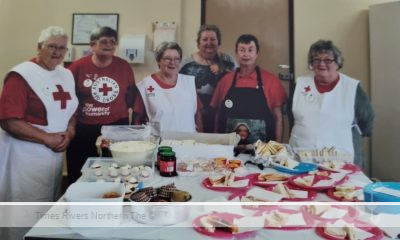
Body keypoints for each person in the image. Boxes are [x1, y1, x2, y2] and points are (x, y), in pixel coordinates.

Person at [0, 26, 78, 203]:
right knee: (24, 204)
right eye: (51, 46)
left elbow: (73, 109)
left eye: (62, 48)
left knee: (49, 199)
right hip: (24, 155)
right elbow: (9, 121)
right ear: (39, 47)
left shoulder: (66, 74)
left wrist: (70, 131)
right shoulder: (21, 75)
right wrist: (46, 137)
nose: (57, 52)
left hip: (55, 153)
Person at [66, 26, 136, 184]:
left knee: (117, 170)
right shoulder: (77, 67)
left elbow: (131, 96)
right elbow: (69, 100)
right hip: (84, 127)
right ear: (92, 44)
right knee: (80, 169)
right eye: (104, 41)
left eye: (113, 41)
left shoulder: (124, 67)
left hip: (116, 127)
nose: (109, 45)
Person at [289, 39, 374, 167]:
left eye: (328, 60)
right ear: (311, 63)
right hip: (301, 156)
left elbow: (367, 123)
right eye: (316, 60)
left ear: (337, 63)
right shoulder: (300, 84)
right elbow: (291, 116)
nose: (321, 64)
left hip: (340, 159)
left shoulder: (352, 87)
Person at [210, 34, 287, 144]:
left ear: (257, 54)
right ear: (236, 53)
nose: (246, 54)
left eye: (250, 50)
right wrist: (216, 144)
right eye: (242, 50)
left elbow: (278, 117)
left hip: (262, 153)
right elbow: (217, 114)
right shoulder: (225, 81)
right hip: (228, 151)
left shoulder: (271, 81)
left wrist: (278, 147)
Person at [133, 42, 203, 134]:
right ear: (158, 61)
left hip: (188, 143)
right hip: (159, 144)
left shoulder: (189, 83)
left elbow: (198, 115)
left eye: (176, 59)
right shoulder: (145, 85)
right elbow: (137, 120)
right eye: (167, 59)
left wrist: (200, 139)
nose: (172, 62)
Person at [180, 24, 237, 133]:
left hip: (223, 117)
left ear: (218, 42)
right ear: (198, 43)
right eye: (205, 39)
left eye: (213, 39)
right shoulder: (186, 65)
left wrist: (223, 70)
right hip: (194, 119)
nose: (209, 43)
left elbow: (239, 81)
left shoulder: (229, 61)